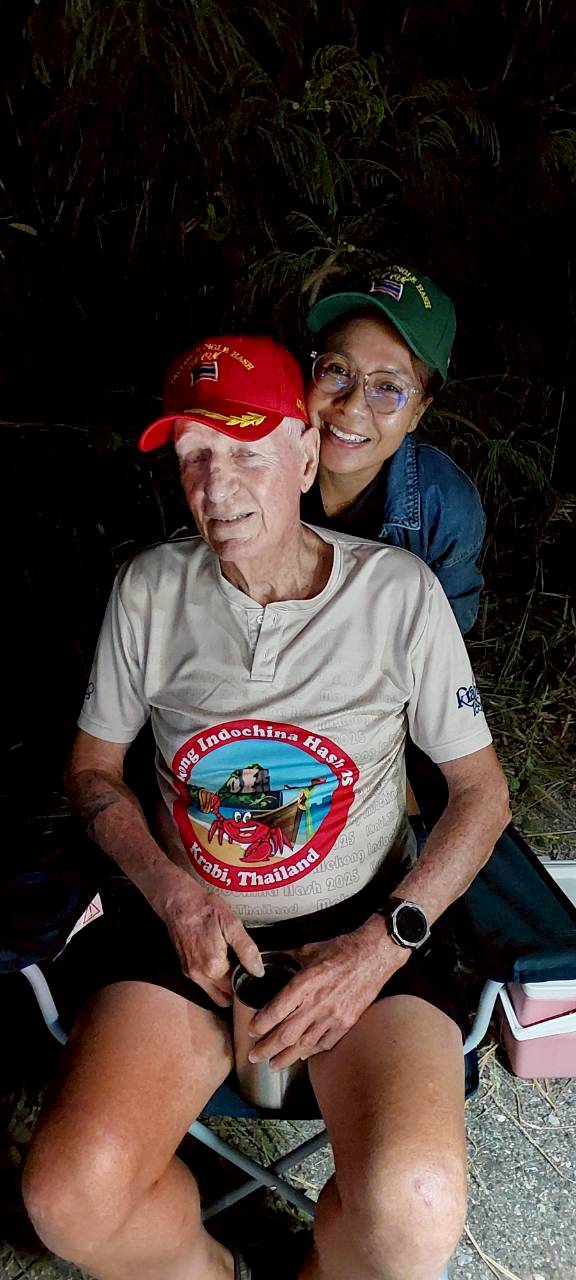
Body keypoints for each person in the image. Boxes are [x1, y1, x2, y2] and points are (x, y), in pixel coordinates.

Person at [23, 334, 510, 1280]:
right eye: (194, 454)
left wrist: (384, 943)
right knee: (69, 1198)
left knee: (413, 1211)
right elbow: (92, 772)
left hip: (362, 927)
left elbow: (482, 796)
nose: (216, 485)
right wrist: (172, 894)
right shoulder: (150, 589)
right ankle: (213, 1271)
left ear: (305, 454)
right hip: (187, 932)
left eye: (246, 450)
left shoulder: (398, 596)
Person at [302, 263, 485, 634]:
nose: (353, 406)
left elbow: (445, 633)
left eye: (388, 387)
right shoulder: (259, 461)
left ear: (418, 412)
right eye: (338, 369)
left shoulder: (445, 510)